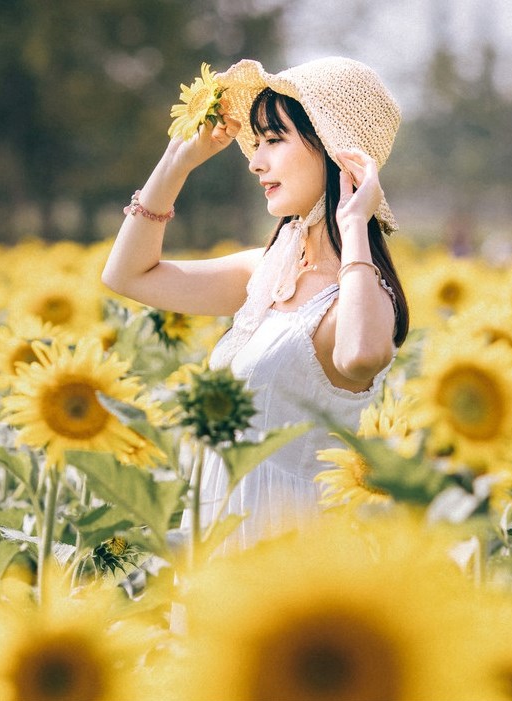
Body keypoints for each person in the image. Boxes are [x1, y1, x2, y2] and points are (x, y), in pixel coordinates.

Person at [102, 56, 409, 552]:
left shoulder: (362, 295)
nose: (255, 161)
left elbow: (360, 355)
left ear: (335, 152)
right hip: (220, 537)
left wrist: (354, 226)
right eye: (257, 142)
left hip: (289, 557)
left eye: (274, 140)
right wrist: (177, 161)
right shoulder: (268, 270)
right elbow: (127, 275)